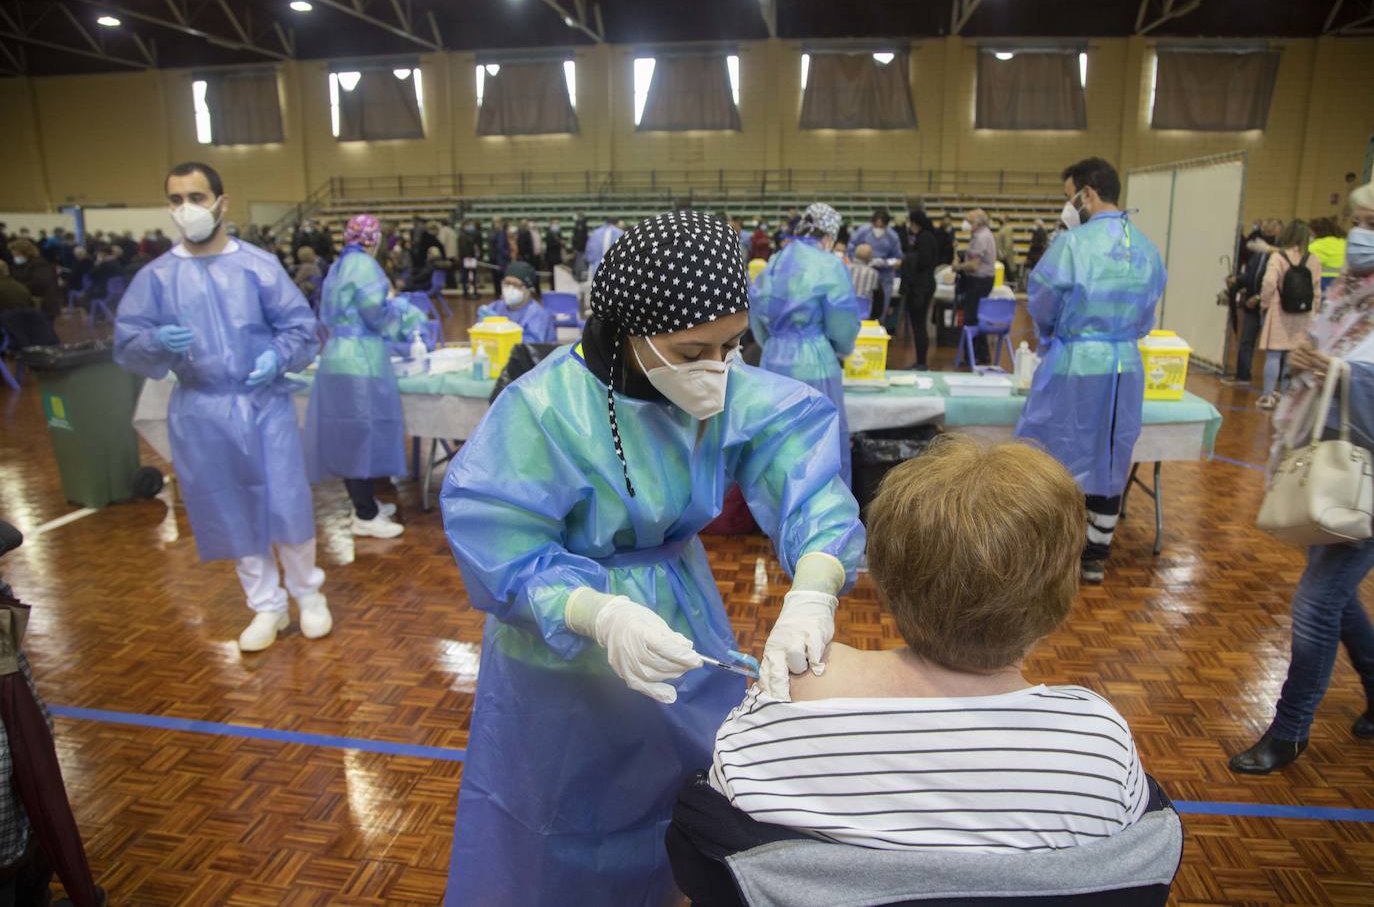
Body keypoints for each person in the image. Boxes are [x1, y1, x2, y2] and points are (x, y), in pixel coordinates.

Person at [440, 210, 865, 905]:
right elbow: (499, 541)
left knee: (678, 800)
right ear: (626, 329)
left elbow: (805, 471)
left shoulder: (722, 388)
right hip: (560, 654)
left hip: (679, 609)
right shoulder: (545, 409)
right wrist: (597, 613)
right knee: (558, 823)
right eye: (694, 350)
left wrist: (815, 585)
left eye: (733, 346)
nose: (717, 371)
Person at [711, 436, 1149, 849]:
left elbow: (714, 836)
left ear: (884, 580)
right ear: (1062, 596)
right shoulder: (1101, 746)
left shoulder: (777, 714)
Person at [114, 161, 326, 652]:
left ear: (221, 202)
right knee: (230, 506)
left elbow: (300, 327)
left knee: (285, 501)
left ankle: (309, 595)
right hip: (201, 408)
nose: (185, 209)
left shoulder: (257, 266)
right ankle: (265, 606)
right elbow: (129, 343)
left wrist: (279, 356)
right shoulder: (158, 277)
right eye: (175, 200)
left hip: (263, 404)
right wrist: (156, 341)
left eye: (196, 197)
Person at [1229, 182, 1374, 774]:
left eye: (1372, 220)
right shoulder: (1350, 294)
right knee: (1335, 597)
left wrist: (1337, 372)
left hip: (1364, 475)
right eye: (1357, 218)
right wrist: (1320, 369)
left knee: (1316, 604)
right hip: (1335, 467)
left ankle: (1290, 730)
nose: (1360, 232)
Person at [1013, 157, 1166, 585]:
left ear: (1087, 194)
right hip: (1125, 366)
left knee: (1053, 452)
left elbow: (1042, 299)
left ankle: (1051, 555)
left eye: (1070, 197)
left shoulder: (1072, 245)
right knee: (1112, 455)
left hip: (1075, 361)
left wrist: (1052, 336)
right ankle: (1095, 555)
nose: (1069, 205)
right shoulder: (1147, 248)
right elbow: (1146, 317)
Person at [304, 214, 425, 541]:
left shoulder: (337, 267)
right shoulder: (365, 267)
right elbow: (376, 314)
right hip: (361, 360)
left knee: (350, 434)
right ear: (373, 240)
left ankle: (365, 502)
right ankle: (364, 514)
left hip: (336, 355)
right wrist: (400, 309)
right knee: (361, 434)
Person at [750, 202, 861, 485]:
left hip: (773, 361)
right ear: (828, 236)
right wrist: (843, 348)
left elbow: (756, 311)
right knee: (821, 443)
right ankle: (827, 517)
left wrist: (773, 343)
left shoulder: (775, 261)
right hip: (815, 361)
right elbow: (842, 320)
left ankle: (778, 516)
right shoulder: (830, 264)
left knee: (777, 444)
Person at [1256, 220, 1322, 411]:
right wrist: (1314, 312)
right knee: (1292, 357)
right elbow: (1316, 290)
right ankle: (1286, 398)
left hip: (1279, 311)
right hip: (1304, 315)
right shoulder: (1314, 260)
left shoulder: (1278, 257)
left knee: (1274, 355)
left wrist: (1265, 304)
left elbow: (1269, 283)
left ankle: (1268, 396)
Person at [1223, 218, 1281, 386]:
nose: (1267, 233)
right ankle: (1243, 375)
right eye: (1266, 230)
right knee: (1246, 340)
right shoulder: (1259, 253)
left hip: (1269, 306)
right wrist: (1237, 281)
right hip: (1251, 304)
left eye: (1271, 231)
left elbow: (1274, 283)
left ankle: (1277, 384)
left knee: (1274, 348)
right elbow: (1250, 275)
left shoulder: (1280, 255)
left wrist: (1259, 297)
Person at [950, 209, 998, 364]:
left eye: (969, 220)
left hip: (979, 281)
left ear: (977, 223)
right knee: (977, 317)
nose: (966, 223)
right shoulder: (985, 234)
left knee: (971, 319)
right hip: (985, 280)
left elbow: (974, 266)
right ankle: (979, 355)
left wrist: (958, 267)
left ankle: (974, 356)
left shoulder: (980, 238)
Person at [477, 259, 556, 343]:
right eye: (507, 283)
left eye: (516, 285)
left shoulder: (537, 315)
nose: (510, 288)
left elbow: (529, 348)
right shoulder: (495, 307)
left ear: (529, 289)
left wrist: (501, 328)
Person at [899, 209, 939, 370]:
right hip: (923, 284)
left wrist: (907, 260)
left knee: (919, 325)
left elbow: (922, 261)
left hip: (921, 287)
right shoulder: (927, 236)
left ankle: (922, 362)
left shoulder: (924, 238)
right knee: (918, 325)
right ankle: (920, 361)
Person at [847, 210, 902, 317]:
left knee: (880, 309)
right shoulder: (863, 232)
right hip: (862, 273)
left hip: (884, 276)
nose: (878, 229)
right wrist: (860, 259)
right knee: (857, 305)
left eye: (882, 226)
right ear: (872, 223)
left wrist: (885, 263)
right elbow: (851, 249)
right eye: (876, 225)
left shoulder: (892, 237)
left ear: (886, 225)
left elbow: (898, 259)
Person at [9, 239, 60, 323]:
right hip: (30, 304)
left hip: (44, 304)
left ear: (25, 252)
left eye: (16, 254)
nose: (14, 256)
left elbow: (40, 283)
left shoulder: (39, 264)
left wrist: (18, 288)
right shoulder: (19, 265)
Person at [1309, 217, 1346, 294]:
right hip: (1344, 283)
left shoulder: (1316, 245)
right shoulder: (1345, 243)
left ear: (1317, 231)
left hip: (1323, 283)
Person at [847, 243, 880, 320]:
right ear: (870, 258)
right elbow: (877, 296)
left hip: (843, 309)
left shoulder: (844, 268)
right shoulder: (874, 273)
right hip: (863, 313)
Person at [488, 215, 511, 293]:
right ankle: (500, 293)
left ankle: (499, 292)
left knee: (498, 279)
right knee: (499, 278)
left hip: (497, 258)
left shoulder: (495, 232)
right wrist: (508, 254)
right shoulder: (498, 232)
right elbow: (500, 247)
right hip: (500, 259)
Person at [458, 219, 480, 299]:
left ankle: (472, 291)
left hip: (469, 258)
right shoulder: (463, 235)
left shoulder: (468, 234)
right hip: (467, 258)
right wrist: (469, 256)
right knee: (468, 276)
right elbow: (464, 248)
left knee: (471, 275)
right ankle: (468, 292)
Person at [995, 214, 1018, 286]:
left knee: (1009, 274)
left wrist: (1004, 254)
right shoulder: (1002, 228)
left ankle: (1012, 287)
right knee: (1005, 274)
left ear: (1005, 219)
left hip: (1005, 256)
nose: (999, 218)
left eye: (1001, 217)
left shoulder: (1007, 228)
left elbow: (1008, 243)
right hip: (1000, 255)